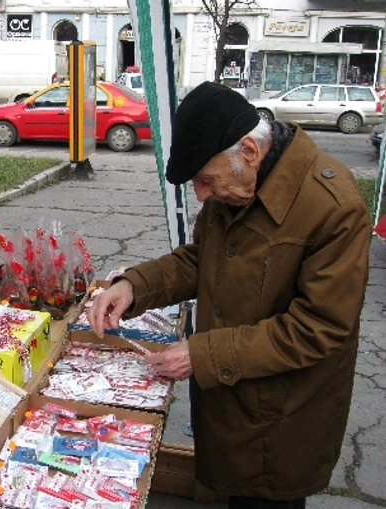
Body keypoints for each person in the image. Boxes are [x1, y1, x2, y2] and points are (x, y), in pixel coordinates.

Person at [88, 82, 371, 509]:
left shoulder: (334, 206)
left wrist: (203, 356)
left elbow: (319, 327)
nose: (201, 194)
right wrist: (134, 285)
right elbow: (203, 259)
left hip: (282, 421)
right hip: (232, 404)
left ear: (250, 151)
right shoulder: (239, 179)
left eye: (205, 180)